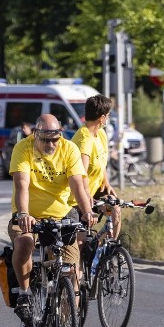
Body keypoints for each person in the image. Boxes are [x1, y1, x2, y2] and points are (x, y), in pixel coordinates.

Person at [8, 114, 95, 327]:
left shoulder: (69, 149)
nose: (50, 144)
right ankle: (25, 294)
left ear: (60, 135)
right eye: (45, 140)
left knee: (72, 270)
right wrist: (24, 214)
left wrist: (87, 212)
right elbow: (22, 185)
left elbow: (77, 186)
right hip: (28, 215)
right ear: (35, 134)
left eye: (54, 139)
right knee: (24, 243)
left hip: (61, 215)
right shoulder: (23, 148)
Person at [70, 94, 121, 240]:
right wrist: (86, 196)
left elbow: (101, 161)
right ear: (102, 118)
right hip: (77, 195)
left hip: (95, 188)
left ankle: (108, 249)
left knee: (115, 208)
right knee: (81, 243)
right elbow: (81, 174)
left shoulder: (101, 134)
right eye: (108, 115)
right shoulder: (84, 140)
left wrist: (106, 183)